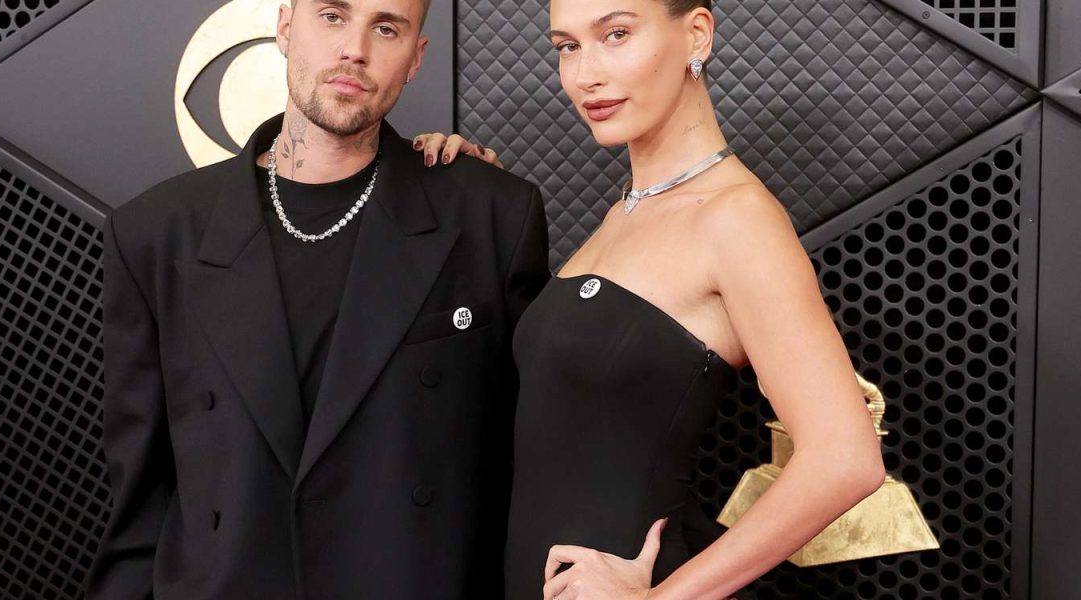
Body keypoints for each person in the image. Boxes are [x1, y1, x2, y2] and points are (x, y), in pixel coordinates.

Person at [416, 0, 887, 598]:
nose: (585, 74)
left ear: (697, 34)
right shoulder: (626, 211)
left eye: (615, 34)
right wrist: (465, 188)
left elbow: (846, 457)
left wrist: (661, 599)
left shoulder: (736, 218)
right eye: (567, 46)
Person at [84, 0, 549, 598]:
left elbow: (529, 466)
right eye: (333, 15)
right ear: (284, 27)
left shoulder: (489, 213)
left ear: (416, 59)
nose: (355, 48)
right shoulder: (155, 233)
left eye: (386, 28)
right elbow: (139, 506)